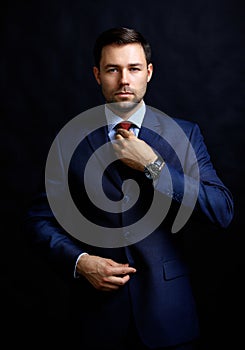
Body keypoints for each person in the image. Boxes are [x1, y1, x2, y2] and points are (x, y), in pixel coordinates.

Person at [24, 27, 234, 349]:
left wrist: (154, 166)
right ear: (97, 75)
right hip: (95, 322)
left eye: (134, 68)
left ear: (148, 73)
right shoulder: (69, 141)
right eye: (113, 69)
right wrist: (80, 262)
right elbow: (38, 219)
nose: (124, 80)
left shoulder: (185, 135)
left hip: (169, 318)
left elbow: (221, 210)